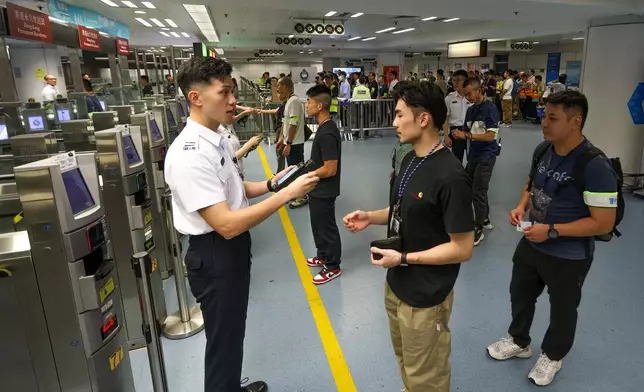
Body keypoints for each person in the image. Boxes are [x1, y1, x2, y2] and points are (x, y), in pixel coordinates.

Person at [165, 56, 319, 392]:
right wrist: (286, 196)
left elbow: (234, 189)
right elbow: (226, 223)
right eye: (225, 93)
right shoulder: (189, 154)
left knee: (233, 331)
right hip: (216, 252)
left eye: (233, 91)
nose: (234, 100)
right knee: (223, 341)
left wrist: (271, 185)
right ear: (196, 97)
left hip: (232, 250)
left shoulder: (216, 137)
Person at [343, 81, 474, 392]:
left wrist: (404, 258)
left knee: (427, 375)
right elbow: (404, 207)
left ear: (423, 119)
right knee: (407, 362)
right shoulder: (411, 159)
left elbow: (463, 248)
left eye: (399, 115)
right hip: (397, 284)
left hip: (426, 296)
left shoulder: (451, 176)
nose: (393, 122)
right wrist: (371, 217)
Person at [486, 91, 617, 387]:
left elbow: (603, 222)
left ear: (576, 122)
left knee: (563, 308)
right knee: (520, 294)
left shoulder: (594, 165)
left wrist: (554, 230)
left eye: (552, 118)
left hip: (568, 254)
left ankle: (553, 356)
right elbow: (531, 185)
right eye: (545, 116)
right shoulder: (543, 150)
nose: (544, 122)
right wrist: (521, 206)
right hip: (532, 243)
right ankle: (519, 340)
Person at [452, 77, 501, 245]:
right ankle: (485, 217)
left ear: (479, 90)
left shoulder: (491, 109)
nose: (468, 98)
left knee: (478, 191)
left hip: (487, 156)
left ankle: (478, 227)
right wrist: (457, 134)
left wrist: (467, 135)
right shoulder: (471, 110)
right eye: (465, 95)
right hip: (473, 155)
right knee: (470, 187)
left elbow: (490, 136)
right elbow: (466, 130)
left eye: (469, 94)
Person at [303, 84, 343, 284]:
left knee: (326, 227)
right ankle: (322, 255)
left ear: (319, 105)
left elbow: (330, 168)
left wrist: (308, 174)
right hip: (317, 188)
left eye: (309, 101)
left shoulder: (327, 132)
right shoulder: (323, 127)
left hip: (325, 189)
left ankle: (333, 265)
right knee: (317, 225)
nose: (306, 105)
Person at [276, 76, 308, 208]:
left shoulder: (294, 101)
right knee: (292, 171)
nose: (277, 90)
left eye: (279, 87)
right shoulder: (289, 101)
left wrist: (288, 143)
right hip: (289, 142)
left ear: (286, 87)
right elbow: (286, 123)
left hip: (294, 144)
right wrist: (281, 139)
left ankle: (302, 196)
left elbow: (293, 124)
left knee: (297, 171)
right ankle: (296, 193)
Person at [443, 69, 472, 164]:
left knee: (472, 158)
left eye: (459, 80)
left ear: (466, 81)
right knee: (456, 160)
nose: (455, 83)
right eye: (454, 80)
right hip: (455, 131)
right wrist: (446, 136)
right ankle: (459, 178)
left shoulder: (472, 96)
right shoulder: (449, 98)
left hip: (471, 131)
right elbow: (446, 119)